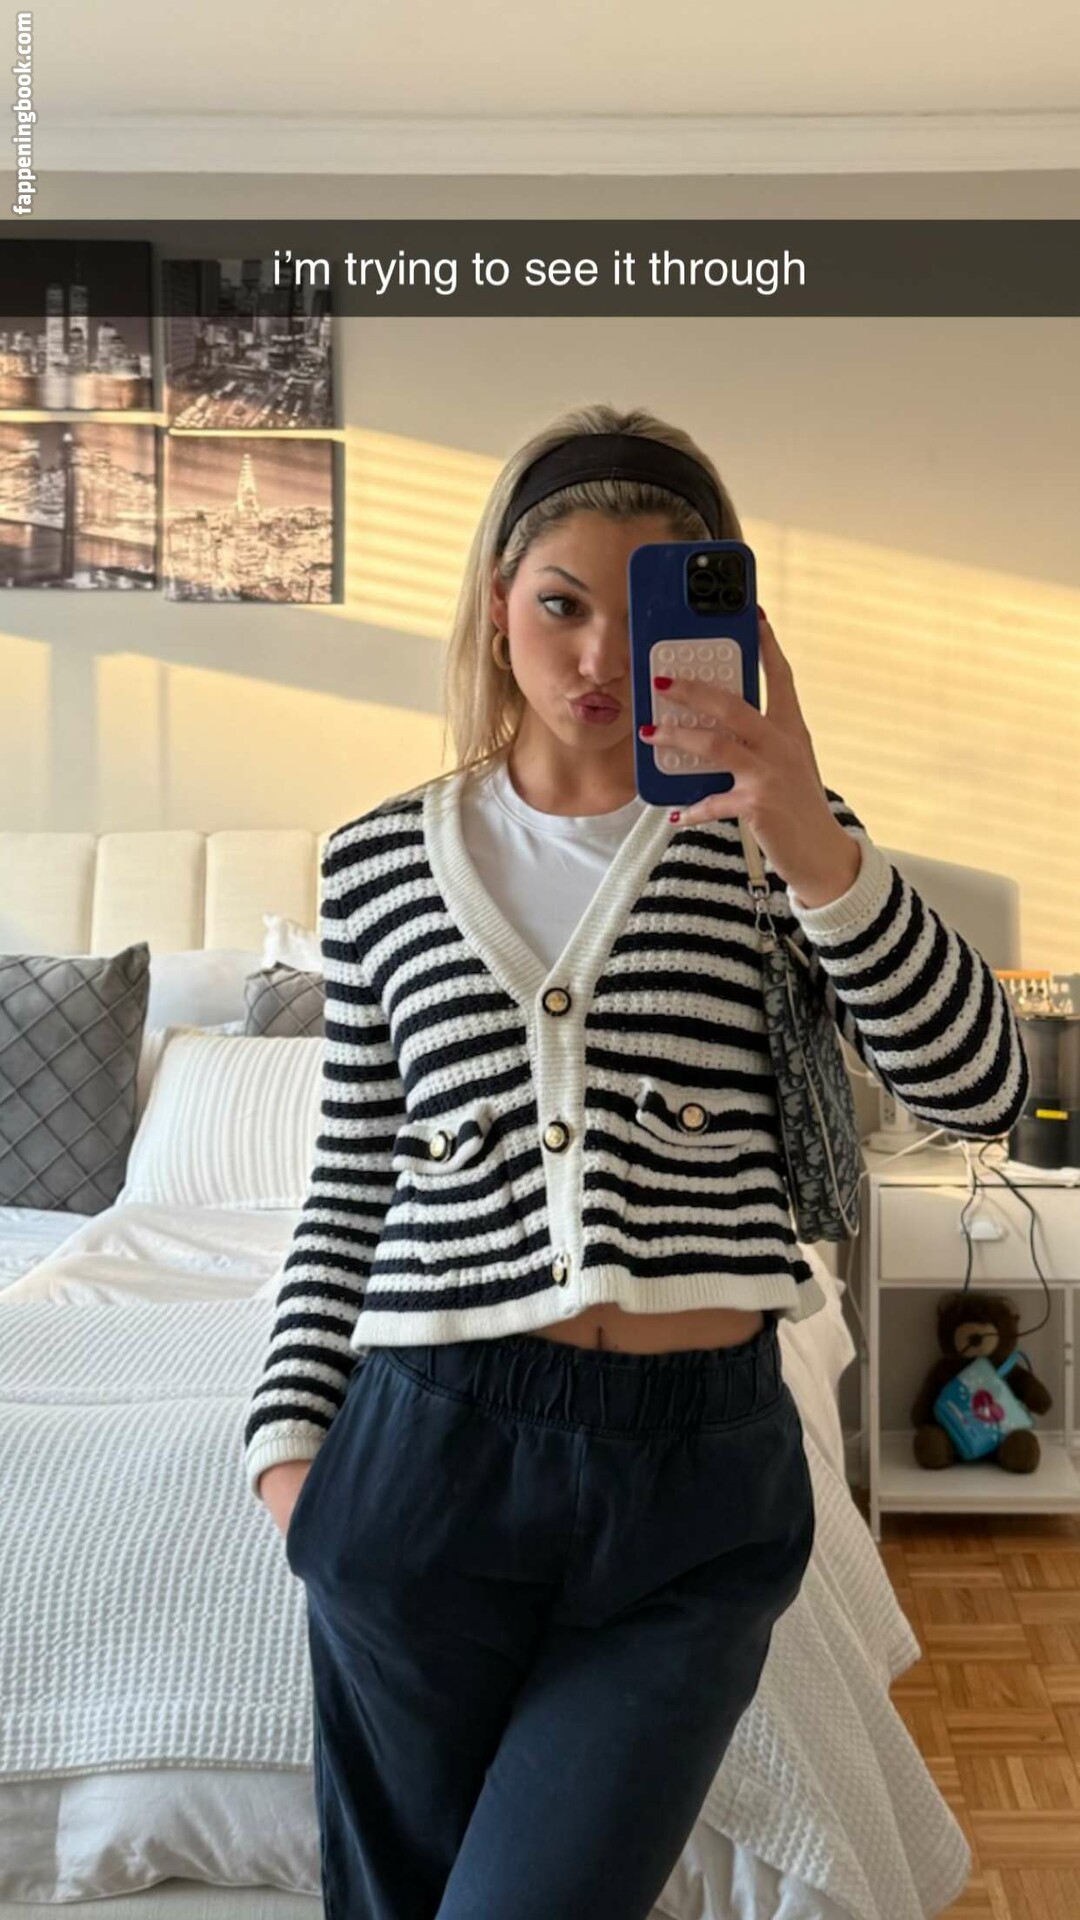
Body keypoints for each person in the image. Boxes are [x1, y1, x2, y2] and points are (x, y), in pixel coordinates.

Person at [241, 402, 1029, 1920]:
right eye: (562, 604)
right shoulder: (378, 859)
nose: (602, 655)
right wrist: (289, 1451)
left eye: (646, 610)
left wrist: (807, 832)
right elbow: (350, 1181)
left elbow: (981, 1083)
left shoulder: (777, 839)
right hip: (430, 1450)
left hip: (698, 1477)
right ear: (497, 605)